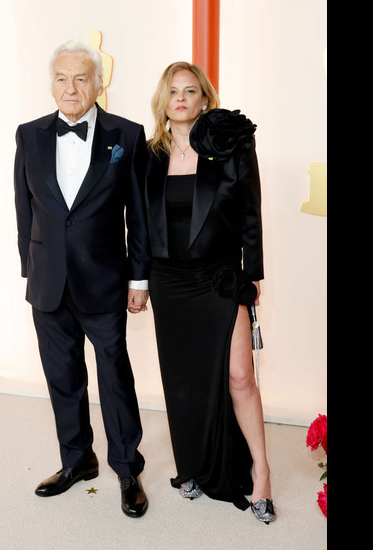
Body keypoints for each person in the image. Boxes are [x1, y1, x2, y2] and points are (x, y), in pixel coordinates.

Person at [13, 38, 151, 518]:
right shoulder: (28, 134)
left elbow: (140, 216)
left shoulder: (127, 135)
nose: (70, 88)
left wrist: (139, 281)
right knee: (62, 379)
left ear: (98, 84)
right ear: (51, 84)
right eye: (61, 78)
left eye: (80, 78)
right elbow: (24, 210)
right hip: (48, 283)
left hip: (105, 281)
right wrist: (31, 272)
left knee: (114, 378)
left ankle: (127, 469)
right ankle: (77, 461)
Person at [143, 61, 276, 524]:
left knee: (240, 376)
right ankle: (195, 467)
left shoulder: (231, 144)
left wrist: (252, 274)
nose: (180, 98)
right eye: (173, 91)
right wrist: (138, 280)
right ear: (163, 100)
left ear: (204, 98)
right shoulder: (150, 154)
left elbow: (251, 213)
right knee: (185, 381)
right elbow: (138, 223)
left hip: (218, 276)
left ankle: (261, 473)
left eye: (190, 90)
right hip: (169, 281)